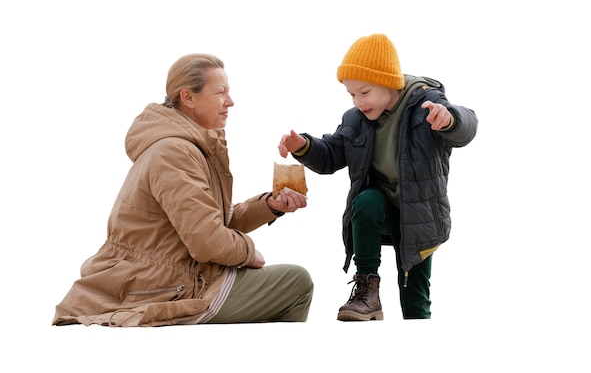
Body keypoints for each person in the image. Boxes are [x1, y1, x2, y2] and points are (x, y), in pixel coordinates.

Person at [53, 54, 313, 327]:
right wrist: (248, 252)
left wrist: (269, 206)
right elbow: (207, 240)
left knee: (282, 288)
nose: (230, 101)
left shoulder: (186, 146)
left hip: (166, 276)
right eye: (220, 92)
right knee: (297, 282)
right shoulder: (174, 152)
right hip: (162, 285)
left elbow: (212, 221)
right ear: (188, 98)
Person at [278, 34, 477, 321]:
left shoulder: (428, 105)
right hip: (379, 209)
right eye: (352, 95)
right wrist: (304, 146)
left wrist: (449, 119)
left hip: (419, 215)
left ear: (389, 83)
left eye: (365, 92)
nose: (358, 102)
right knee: (367, 200)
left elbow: (468, 124)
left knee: (415, 299)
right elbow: (332, 153)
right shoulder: (356, 119)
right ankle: (367, 288)